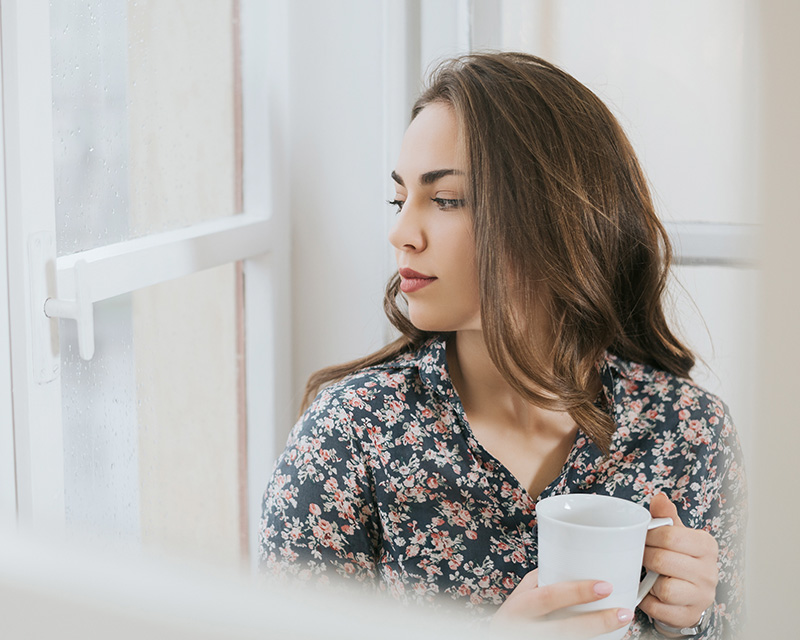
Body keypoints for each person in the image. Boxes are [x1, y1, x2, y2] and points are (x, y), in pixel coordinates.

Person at [259, 52, 746, 639]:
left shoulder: (687, 432)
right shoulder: (351, 435)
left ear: (555, 218)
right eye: (400, 199)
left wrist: (692, 623)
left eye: (446, 200)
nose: (400, 233)